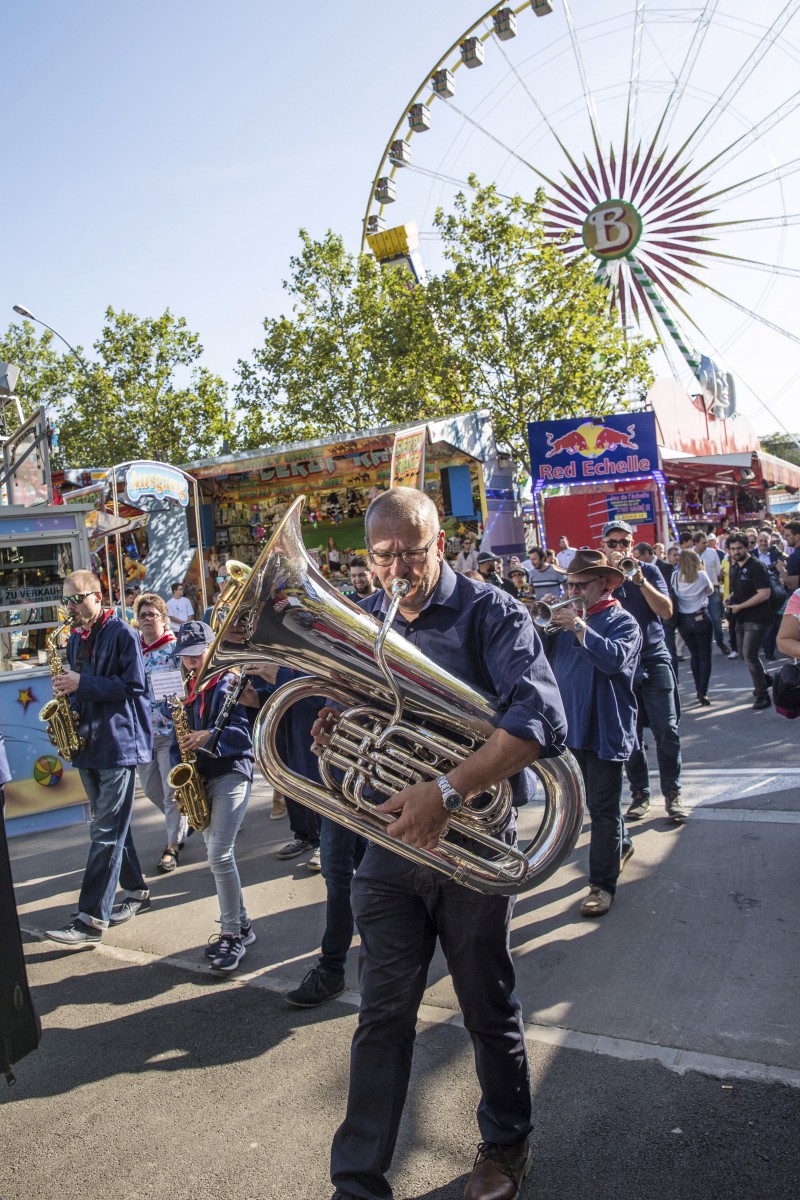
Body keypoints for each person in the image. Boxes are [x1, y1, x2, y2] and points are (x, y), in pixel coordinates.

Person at [312, 486, 568, 1200]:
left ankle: (507, 1144)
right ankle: (357, 1181)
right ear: (370, 555)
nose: (399, 569)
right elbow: (361, 704)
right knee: (382, 1013)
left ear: (442, 542)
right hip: (392, 848)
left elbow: (542, 720)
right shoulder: (369, 618)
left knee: (486, 1004)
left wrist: (447, 792)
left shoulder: (494, 613)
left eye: (413, 552)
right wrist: (338, 720)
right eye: (385, 556)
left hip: (475, 841)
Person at [45, 571, 152, 945]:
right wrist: (67, 706)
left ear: (97, 596)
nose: (70, 608)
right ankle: (136, 891)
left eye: (76, 599)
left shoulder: (123, 633)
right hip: (88, 743)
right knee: (114, 825)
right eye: (67, 601)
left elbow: (135, 686)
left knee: (105, 831)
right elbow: (80, 687)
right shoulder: (75, 638)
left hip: (118, 743)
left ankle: (90, 920)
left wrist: (81, 683)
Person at [547, 550, 641, 917]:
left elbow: (614, 660)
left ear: (602, 584)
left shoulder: (623, 621)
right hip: (571, 728)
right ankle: (622, 844)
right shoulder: (566, 622)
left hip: (604, 725)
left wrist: (579, 628)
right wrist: (545, 625)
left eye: (580, 585)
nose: (573, 591)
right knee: (591, 804)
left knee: (602, 810)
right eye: (569, 584)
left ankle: (601, 885)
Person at [170, 621, 256, 976]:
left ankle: (231, 935)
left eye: (197, 653)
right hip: (200, 777)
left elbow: (244, 734)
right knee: (217, 853)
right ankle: (243, 923)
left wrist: (209, 736)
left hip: (232, 769)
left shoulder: (229, 682)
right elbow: (180, 736)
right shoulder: (185, 686)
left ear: (211, 649)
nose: (192, 662)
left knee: (219, 853)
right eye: (186, 656)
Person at [600, 520, 685, 824]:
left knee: (668, 730)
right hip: (622, 665)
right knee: (630, 737)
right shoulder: (600, 577)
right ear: (603, 547)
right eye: (613, 543)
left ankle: (673, 794)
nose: (620, 548)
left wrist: (639, 580)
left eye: (625, 543)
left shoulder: (648, 571)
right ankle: (640, 794)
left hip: (653, 656)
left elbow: (666, 611)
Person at [133, 592, 188, 872]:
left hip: (169, 732)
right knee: (153, 790)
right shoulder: (133, 650)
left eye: (151, 614)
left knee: (169, 793)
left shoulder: (175, 648)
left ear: (164, 619)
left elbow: (189, 683)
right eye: (142, 615)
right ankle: (182, 823)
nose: (146, 620)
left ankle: (172, 846)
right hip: (143, 735)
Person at [724, 533, 773, 711]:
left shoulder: (757, 566)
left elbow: (764, 593)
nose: (736, 552)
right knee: (745, 655)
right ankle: (765, 678)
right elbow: (739, 589)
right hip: (741, 616)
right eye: (733, 549)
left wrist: (741, 606)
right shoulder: (735, 566)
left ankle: (762, 695)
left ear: (747, 548)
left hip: (758, 617)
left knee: (750, 655)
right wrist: (730, 598)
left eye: (739, 548)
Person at [672, 550, 714, 706]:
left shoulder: (675, 576)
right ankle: (703, 691)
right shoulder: (701, 575)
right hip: (700, 617)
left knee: (694, 655)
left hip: (683, 620)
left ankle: (698, 688)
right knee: (704, 656)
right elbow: (710, 591)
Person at [692, 531, 731, 657]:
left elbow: (719, 570)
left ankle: (720, 642)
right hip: (697, 592)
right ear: (696, 543)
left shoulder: (712, 552)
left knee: (715, 618)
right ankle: (703, 647)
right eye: (703, 543)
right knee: (699, 620)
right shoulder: (689, 554)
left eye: (707, 542)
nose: (706, 545)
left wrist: (720, 586)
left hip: (712, 589)